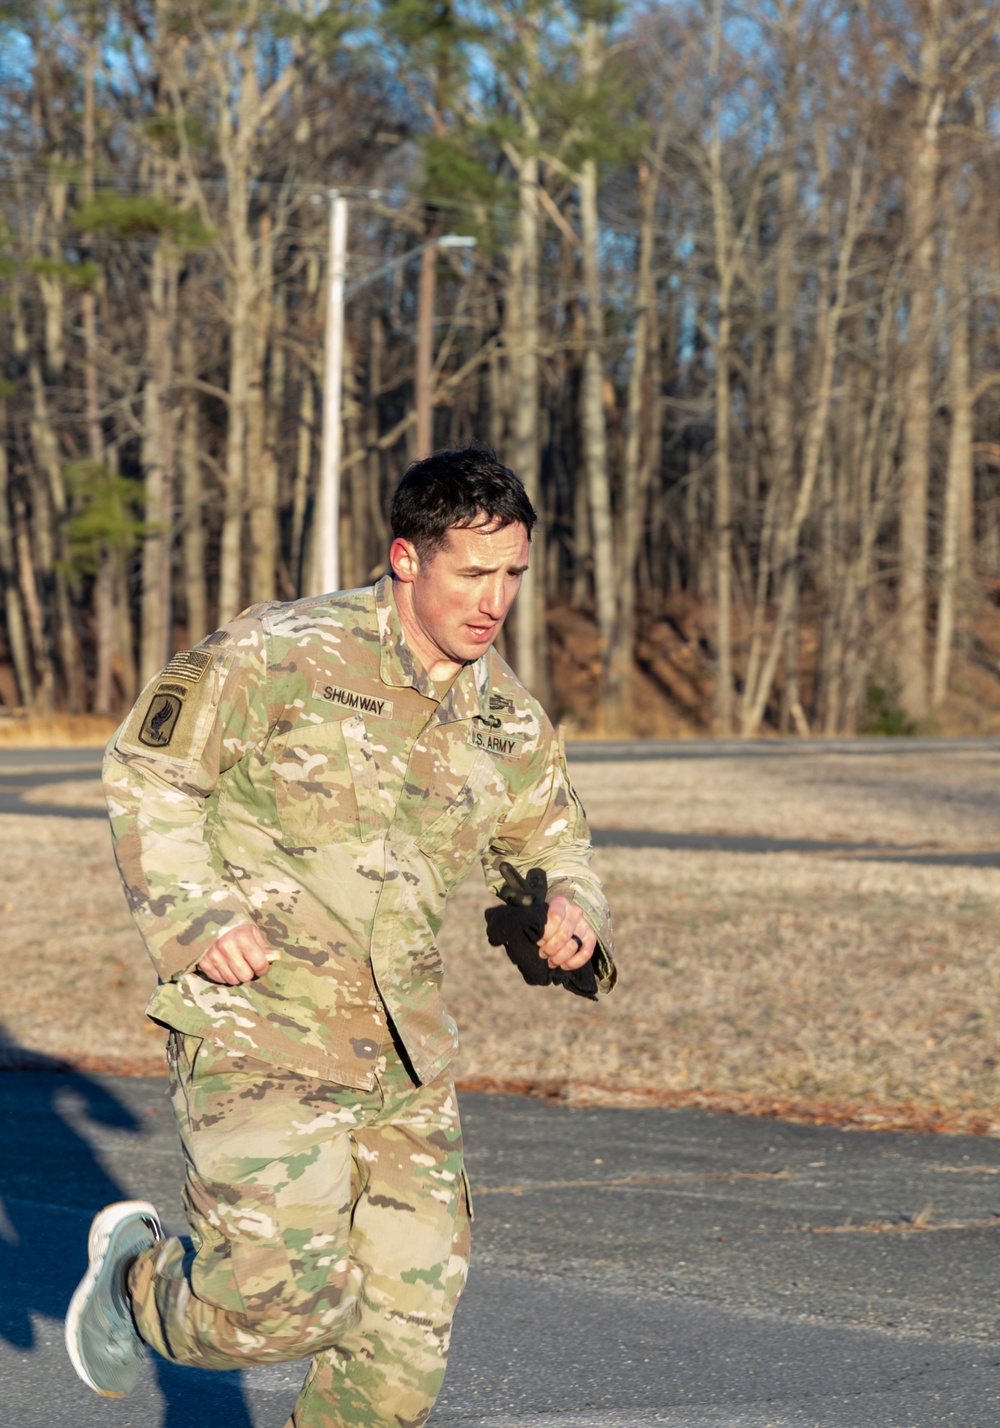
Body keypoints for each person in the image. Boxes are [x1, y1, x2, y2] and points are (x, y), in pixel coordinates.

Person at [65, 445, 615, 1427]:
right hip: (260, 1030)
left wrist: (567, 913)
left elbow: (546, 840)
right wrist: (200, 918)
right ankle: (135, 1285)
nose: (495, 602)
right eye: (473, 573)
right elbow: (150, 771)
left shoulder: (504, 714)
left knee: (401, 1351)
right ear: (407, 559)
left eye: (513, 577)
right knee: (270, 1315)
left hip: (405, 1062)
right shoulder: (282, 651)